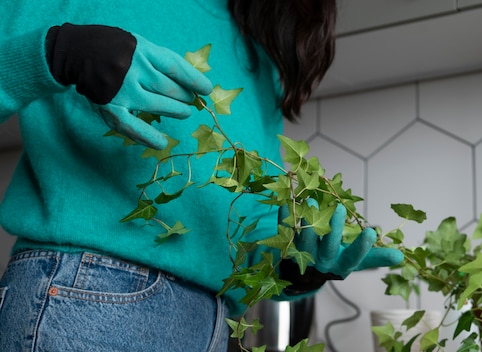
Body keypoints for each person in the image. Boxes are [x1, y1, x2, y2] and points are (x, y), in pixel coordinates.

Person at [0, 1, 403, 351]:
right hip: (88, 297)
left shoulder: (257, 48)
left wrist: (295, 269)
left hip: (212, 322)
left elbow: (246, 240)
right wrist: (58, 53)